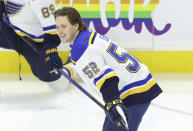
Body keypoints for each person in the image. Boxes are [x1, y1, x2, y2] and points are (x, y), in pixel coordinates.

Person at [54, 7, 162, 131]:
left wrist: (113, 101)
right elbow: (85, 64)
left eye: (64, 26)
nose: (59, 31)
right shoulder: (85, 36)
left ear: (75, 26)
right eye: (57, 27)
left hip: (132, 92)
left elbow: (105, 76)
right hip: (136, 82)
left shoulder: (81, 46)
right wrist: (66, 70)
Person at [0, 0, 70, 91]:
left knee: (57, 84)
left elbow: (53, 29)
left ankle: (71, 68)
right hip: (12, 32)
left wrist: (51, 49)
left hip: (35, 43)